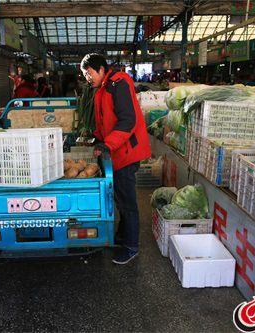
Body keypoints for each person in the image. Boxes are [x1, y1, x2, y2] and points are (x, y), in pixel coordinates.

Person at [80, 53, 151, 265]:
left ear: (101, 69)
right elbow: (105, 121)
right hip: (117, 151)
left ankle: (131, 247)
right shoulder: (102, 88)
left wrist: (107, 144)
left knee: (127, 201)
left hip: (126, 151)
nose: (87, 78)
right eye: (85, 75)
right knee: (120, 197)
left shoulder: (118, 83)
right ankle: (122, 237)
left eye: (89, 73)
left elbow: (128, 121)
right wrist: (97, 139)